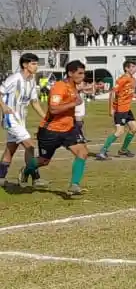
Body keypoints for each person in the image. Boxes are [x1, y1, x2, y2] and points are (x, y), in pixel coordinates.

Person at [35, 61, 92, 195]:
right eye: (80, 73)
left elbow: (74, 98)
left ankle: (74, 185)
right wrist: (74, 103)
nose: (82, 76)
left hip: (68, 129)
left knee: (82, 152)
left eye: (83, 73)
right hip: (51, 130)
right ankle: (27, 169)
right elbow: (53, 109)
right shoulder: (59, 87)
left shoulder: (73, 86)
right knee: (43, 161)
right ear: (70, 73)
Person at [2, 53, 46, 186]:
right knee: (30, 145)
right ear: (25, 65)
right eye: (33, 63)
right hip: (11, 119)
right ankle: (33, 176)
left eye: (36, 63)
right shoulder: (15, 78)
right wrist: (4, 107)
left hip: (21, 120)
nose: (36, 66)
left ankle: (0, 177)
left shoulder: (32, 81)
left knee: (11, 148)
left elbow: (34, 102)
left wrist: (46, 118)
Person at [96, 60, 136, 160]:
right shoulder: (122, 79)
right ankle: (102, 151)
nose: (134, 69)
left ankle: (123, 150)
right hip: (120, 109)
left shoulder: (133, 79)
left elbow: (129, 93)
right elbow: (112, 93)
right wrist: (111, 108)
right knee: (119, 132)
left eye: (134, 67)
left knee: (134, 129)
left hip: (127, 109)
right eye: (131, 67)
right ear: (126, 68)